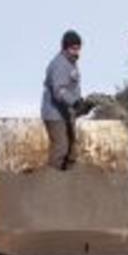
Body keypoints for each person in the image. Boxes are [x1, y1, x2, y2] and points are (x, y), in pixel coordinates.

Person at [42, 30, 90, 170]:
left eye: (78, 48)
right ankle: (51, 180)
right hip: (54, 113)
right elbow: (59, 91)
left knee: (72, 148)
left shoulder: (71, 63)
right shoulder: (59, 64)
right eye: (73, 48)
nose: (76, 52)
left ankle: (68, 181)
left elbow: (72, 87)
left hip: (66, 113)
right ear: (65, 47)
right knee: (61, 147)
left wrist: (81, 103)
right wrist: (74, 102)